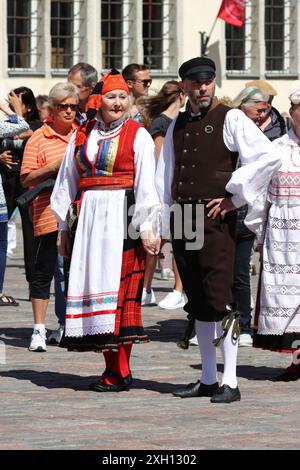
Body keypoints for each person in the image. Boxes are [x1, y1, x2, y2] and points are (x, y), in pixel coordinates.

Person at [155, 56, 281, 403]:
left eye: (208, 80)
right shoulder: (175, 125)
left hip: (214, 219)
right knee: (198, 301)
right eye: (196, 82)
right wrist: (160, 223)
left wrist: (234, 197)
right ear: (184, 87)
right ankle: (208, 378)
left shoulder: (232, 117)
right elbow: (164, 175)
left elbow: (267, 157)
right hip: (183, 216)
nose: (203, 87)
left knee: (221, 298)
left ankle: (231, 380)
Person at [51, 69, 161, 392]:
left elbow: (147, 184)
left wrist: (148, 227)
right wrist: (63, 228)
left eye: (122, 97)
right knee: (95, 288)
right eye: (111, 97)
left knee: (122, 295)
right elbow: (67, 181)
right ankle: (111, 368)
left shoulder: (137, 134)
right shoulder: (84, 133)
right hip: (88, 222)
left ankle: (121, 371)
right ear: (100, 102)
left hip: (123, 217)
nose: (117, 103)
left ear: (129, 101)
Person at [21, 82, 78, 352]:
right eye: (63, 106)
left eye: (73, 107)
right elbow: (26, 178)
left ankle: (70, 326)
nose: (69, 112)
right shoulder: (38, 138)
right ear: (52, 110)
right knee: (43, 272)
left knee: (73, 273)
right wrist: (54, 167)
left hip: (78, 215)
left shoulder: (83, 134)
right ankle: (39, 330)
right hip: (46, 214)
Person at [252, 88, 300, 381]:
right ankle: (298, 357)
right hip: (284, 235)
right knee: (289, 297)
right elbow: (260, 196)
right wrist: (259, 233)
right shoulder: (276, 150)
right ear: (291, 112)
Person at [138, 80, 187, 309]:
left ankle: (179, 288)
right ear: (180, 95)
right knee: (156, 241)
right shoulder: (162, 123)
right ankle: (146, 289)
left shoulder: (179, 121)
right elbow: (159, 160)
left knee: (178, 240)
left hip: (175, 186)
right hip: (162, 188)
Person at [231, 87, 271, 347]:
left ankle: (244, 324)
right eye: (259, 110)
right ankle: (206, 323)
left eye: (266, 110)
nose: (262, 116)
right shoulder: (232, 126)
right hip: (223, 205)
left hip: (247, 208)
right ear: (244, 107)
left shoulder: (267, 131)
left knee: (240, 272)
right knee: (212, 271)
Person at [0, 87, 42, 288]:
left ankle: (34, 282)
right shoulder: (6, 124)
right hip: (7, 182)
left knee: (29, 231)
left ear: (29, 106)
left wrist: (14, 111)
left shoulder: (37, 125)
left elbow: (27, 131)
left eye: (18, 103)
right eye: (11, 104)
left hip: (27, 184)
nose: (13, 107)